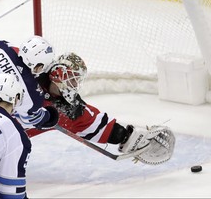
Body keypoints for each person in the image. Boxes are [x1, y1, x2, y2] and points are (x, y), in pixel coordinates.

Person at [26, 52, 175, 164]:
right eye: (73, 79)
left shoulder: (70, 110)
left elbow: (98, 125)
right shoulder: (27, 75)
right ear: (59, 74)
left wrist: (131, 139)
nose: (75, 85)